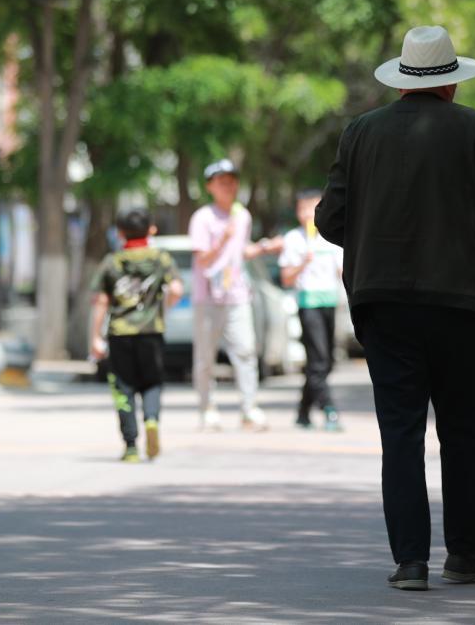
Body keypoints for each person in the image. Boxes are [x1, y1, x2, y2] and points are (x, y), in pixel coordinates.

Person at [315, 25, 475, 591]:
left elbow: (328, 219)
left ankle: (410, 561)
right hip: (460, 305)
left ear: (402, 82)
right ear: (451, 85)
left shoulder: (361, 132)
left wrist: (375, 241)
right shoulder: (473, 129)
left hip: (382, 305)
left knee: (401, 434)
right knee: (462, 429)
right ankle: (465, 555)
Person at [189, 159, 282, 432]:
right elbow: (202, 259)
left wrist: (266, 247)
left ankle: (249, 409)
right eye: (221, 182)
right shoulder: (202, 218)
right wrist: (222, 239)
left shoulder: (242, 216)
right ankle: (207, 409)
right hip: (207, 297)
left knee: (245, 352)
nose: (228, 186)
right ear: (210, 187)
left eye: (231, 181)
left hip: (237, 294)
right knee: (205, 358)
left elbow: (241, 252)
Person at [89, 207, 183, 462]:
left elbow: (100, 300)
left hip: (120, 334)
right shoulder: (161, 259)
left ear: (120, 233)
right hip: (151, 331)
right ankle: (151, 421)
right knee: (152, 382)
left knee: (123, 387)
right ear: (151, 229)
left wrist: (95, 337)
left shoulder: (112, 261)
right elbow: (176, 288)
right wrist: (164, 306)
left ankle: (131, 446)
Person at [279, 188, 345, 431]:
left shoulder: (332, 238)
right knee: (318, 361)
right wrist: (302, 263)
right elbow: (286, 278)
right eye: (303, 208)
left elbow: (342, 272)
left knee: (325, 363)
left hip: (329, 302)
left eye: (313, 208)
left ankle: (303, 411)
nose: (308, 214)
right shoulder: (294, 240)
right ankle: (329, 410)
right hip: (308, 304)